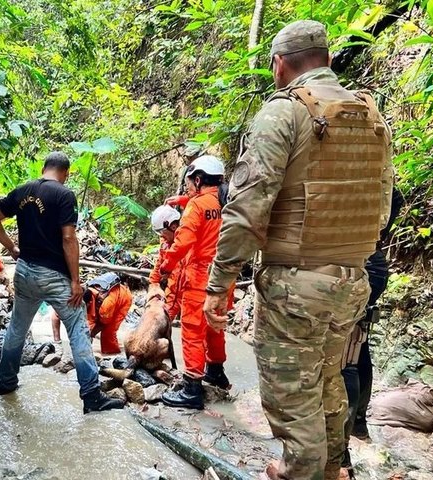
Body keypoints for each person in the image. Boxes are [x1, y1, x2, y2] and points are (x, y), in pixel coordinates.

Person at [202, 20, 394, 480]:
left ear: (280, 64)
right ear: (327, 59)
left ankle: (298, 472)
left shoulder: (284, 112)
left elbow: (247, 207)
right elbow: (383, 203)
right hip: (353, 280)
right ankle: (331, 469)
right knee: (329, 380)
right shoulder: (372, 115)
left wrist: (219, 285)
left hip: (296, 283)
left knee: (292, 394)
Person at [0, 152, 124, 413]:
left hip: (25, 272)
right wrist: (75, 281)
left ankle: (6, 383)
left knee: (17, 328)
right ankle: (92, 396)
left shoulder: (23, 190)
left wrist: (11, 247)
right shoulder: (64, 195)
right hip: (54, 275)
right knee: (77, 328)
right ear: (66, 173)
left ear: (43, 168)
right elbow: (69, 239)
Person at [157, 155, 235, 410]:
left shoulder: (197, 206)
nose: (187, 188)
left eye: (190, 183)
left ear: (198, 179)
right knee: (215, 326)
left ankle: (192, 388)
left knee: (192, 330)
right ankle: (215, 371)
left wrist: (165, 268)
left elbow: (183, 242)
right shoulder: (227, 201)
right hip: (224, 278)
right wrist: (182, 200)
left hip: (200, 276)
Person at [340, 188, 404, 478]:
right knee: (357, 345)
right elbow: (397, 197)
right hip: (372, 259)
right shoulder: (378, 174)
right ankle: (358, 422)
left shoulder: (353, 169)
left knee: (344, 358)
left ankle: (340, 451)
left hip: (357, 261)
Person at [148, 205, 184, 321]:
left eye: (162, 232)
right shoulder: (165, 242)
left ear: (173, 226)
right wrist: (153, 284)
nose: (161, 235)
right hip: (173, 292)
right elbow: (159, 263)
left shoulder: (187, 240)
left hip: (188, 292)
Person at [84, 272, 133, 355]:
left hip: (123, 300)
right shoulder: (86, 291)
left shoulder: (106, 306)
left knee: (108, 331)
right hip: (108, 302)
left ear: (90, 301)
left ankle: (112, 353)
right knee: (89, 324)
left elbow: (104, 323)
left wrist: (92, 334)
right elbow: (90, 320)